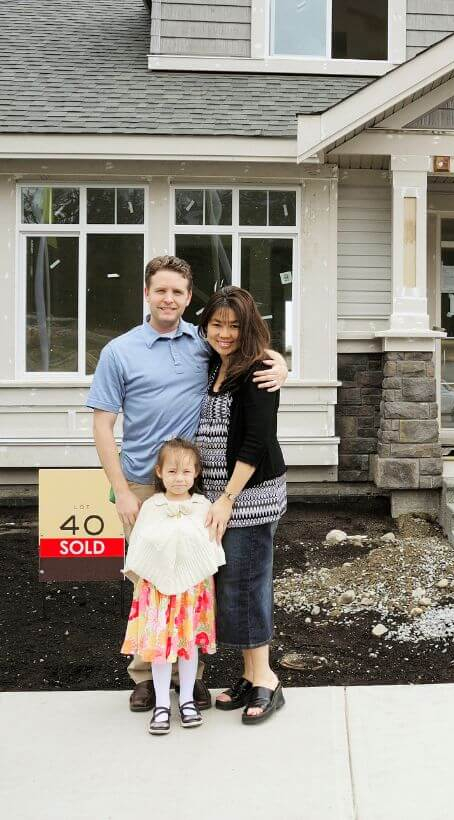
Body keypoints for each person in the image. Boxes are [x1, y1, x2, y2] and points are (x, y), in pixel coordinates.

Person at [87, 255, 287, 712]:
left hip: (199, 487)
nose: (169, 298)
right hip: (141, 483)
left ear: (187, 297)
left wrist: (281, 365)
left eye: (178, 291)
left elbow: (247, 349)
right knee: (149, 583)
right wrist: (119, 490)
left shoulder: (200, 344)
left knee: (199, 577)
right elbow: (102, 426)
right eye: (161, 290)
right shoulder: (120, 351)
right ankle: (146, 676)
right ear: (146, 293)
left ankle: (192, 673)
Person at [196, 286, 287, 725]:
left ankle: (266, 679)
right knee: (230, 586)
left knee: (246, 584)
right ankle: (251, 674)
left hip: (248, 497)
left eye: (234, 325)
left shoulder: (259, 369)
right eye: (217, 324)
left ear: (248, 326)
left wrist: (228, 499)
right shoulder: (216, 364)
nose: (225, 333)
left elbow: (256, 441)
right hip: (217, 497)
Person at [121, 438, 225, 735]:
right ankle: (163, 703)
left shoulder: (202, 505)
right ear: (159, 472)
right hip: (158, 593)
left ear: (196, 473)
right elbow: (141, 544)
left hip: (192, 593)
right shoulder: (152, 506)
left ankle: (188, 700)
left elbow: (209, 546)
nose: (179, 479)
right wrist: (150, 575)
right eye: (172, 472)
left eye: (186, 472)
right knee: (160, 648)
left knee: (188, 646)